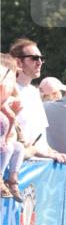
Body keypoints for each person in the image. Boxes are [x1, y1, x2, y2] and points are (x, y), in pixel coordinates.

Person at [9, 38, 66, 163]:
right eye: (34, 58)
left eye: (41, 58)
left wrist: (52, 153)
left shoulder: (34, 93)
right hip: (12, 168)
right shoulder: (7, 91)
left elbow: (40, 138)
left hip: (36, 168)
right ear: (19, 62)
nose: (40, 62)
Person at [0, 53, 25, 201]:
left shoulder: (6, 108)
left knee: (16, 147)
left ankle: (12, 180)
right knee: (8, 147)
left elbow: (8, 135)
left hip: (3, 145)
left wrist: (13, 116)